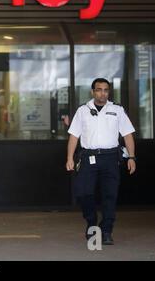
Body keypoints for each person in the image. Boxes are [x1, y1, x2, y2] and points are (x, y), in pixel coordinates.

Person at [66, 78, 136, 245]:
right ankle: (91, 222)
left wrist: (132, 157)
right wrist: (69, 157)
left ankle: (106, 231)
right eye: (99, 90)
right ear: (93, 92)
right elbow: (74, 135)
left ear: (108, 92)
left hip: (110, 158)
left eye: (105, 90)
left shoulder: (117, 110)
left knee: (109, 196)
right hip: (88, 157)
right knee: (83, 193)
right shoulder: (83, 110)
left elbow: (127, 134)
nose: (102, 93)